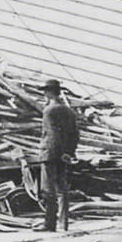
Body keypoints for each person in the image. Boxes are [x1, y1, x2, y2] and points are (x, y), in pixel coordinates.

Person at [37, 78, 80, 231]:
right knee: (62, 189)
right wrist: (68, 152)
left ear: (48, 93)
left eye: (44, 91)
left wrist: (55, 152)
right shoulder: (69, 110)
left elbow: (52, 134)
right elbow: (75, 134)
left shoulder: (49, 110)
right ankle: (64, 223)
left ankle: (49, 224)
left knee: (48, 190)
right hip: (64, 155)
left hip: (50, 153)